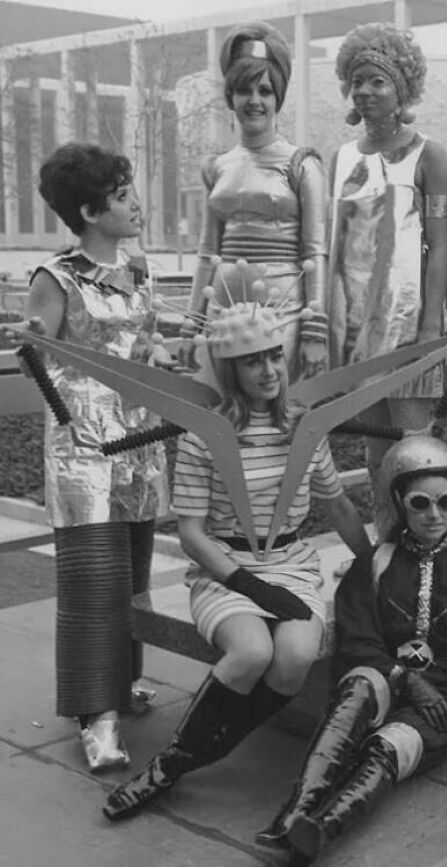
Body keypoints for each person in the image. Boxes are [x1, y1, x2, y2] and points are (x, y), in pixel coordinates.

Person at [103, 298, 372, 820]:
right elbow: (192, 535)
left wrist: (373, 560)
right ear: (230, 369)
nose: (269, 370)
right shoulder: (206, 434)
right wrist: (251, 586)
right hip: (224, 570)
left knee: (294, 657)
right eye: (253, 361)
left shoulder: (305, 427)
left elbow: (336, 502)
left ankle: (196, 751)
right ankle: (168, 768)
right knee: (251, 652)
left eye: (275, 355)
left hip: (292, 564)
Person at [256, 435, 447, 865]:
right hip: (382, 677)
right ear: (399, 502)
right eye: (420, 503)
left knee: (389, 749)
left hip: (444, 699)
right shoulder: (372, 564)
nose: (435, 515)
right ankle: (294, 813)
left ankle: (321, 830)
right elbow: (358, 642)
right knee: (356, 692)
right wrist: (404, 678)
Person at [9, 143, 169, 771]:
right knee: (91, 581)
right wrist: (34, 339)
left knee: (132, 573)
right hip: (83, 446)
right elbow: (37, 346)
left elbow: (143, 339)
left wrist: (165, 351)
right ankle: (92, 714)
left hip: (141, 442)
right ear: (88, 210)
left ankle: (121, 689)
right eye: (122, 193)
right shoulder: (56, 276)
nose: (135, 203)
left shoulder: (140, 269)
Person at [326, 22, 447, 528]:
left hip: (410, 328)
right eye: (358, 80)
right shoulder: (340, 158)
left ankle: (425, 549)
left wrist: (430, 327)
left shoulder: (431, 155)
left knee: (416, 447)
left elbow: (441, 244)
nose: (366, 90)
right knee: (375, 448)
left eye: (378, 80)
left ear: (402, 86)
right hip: (359, 330)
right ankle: (385, 545)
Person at [186, 20, 328, 382]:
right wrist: (192, 325)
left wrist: (315, 332)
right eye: (244, 90)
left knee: (281, 425)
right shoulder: (216, 167)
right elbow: (207, 252)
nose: (254, 101)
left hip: (286, 320)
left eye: (264, 91)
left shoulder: (302, 164)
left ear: (277, 97)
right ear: (230, 97)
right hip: (221, 318)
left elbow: (315, 252)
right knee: (220, 420)